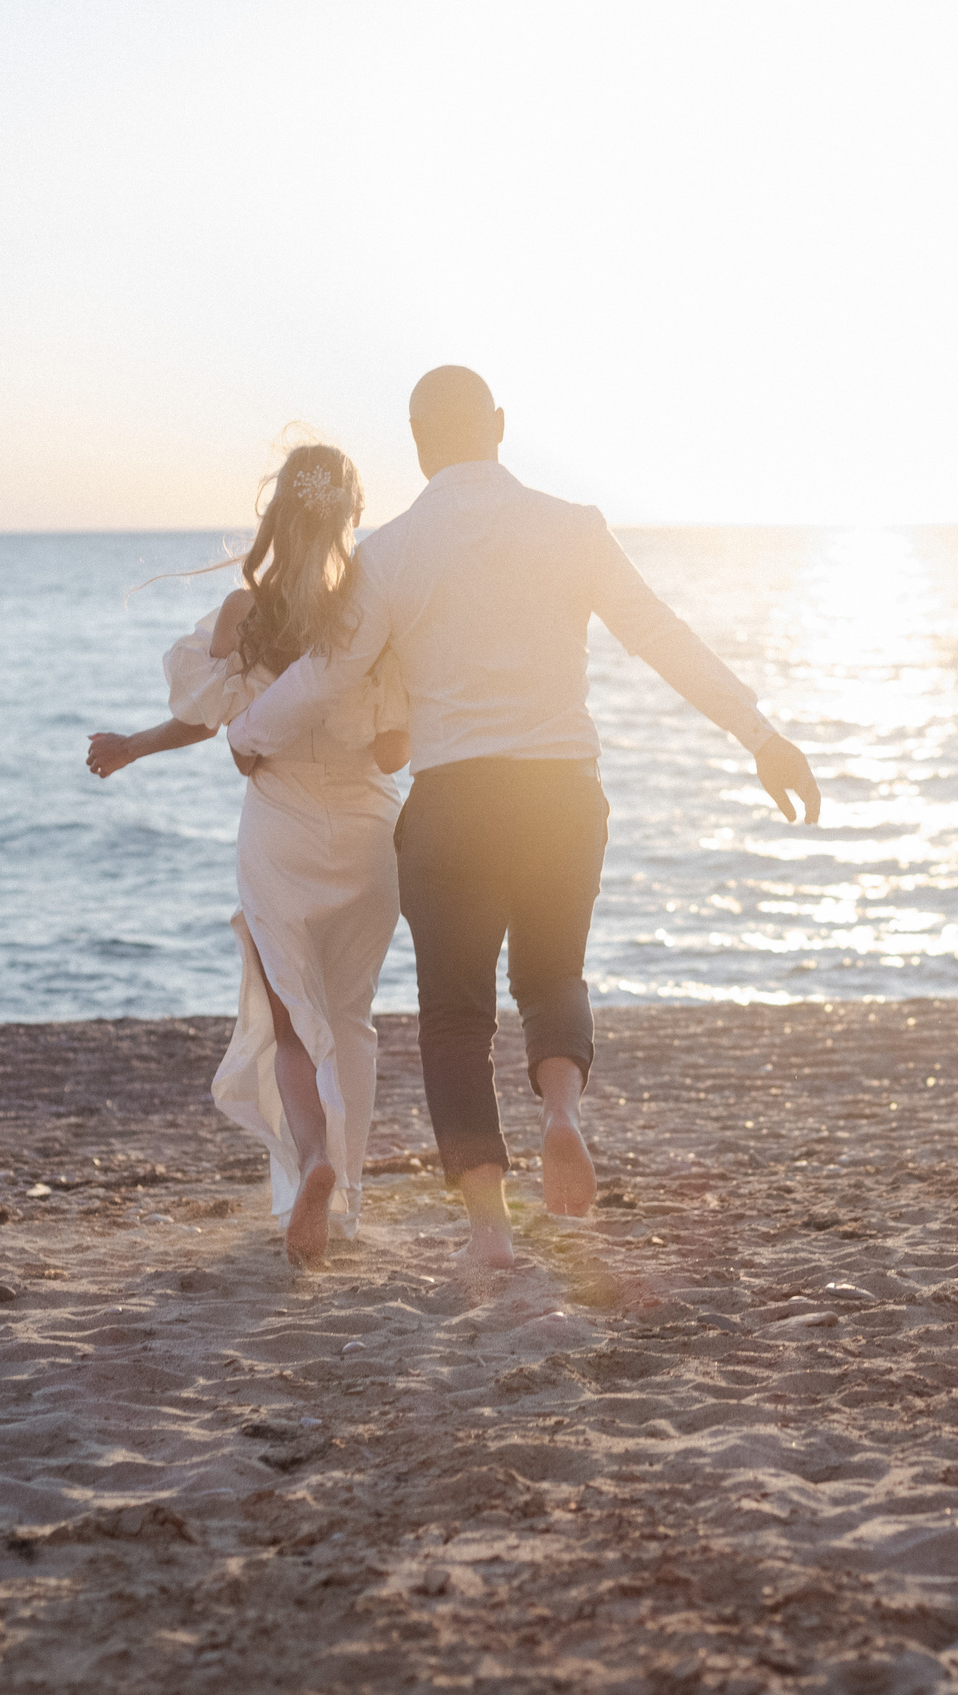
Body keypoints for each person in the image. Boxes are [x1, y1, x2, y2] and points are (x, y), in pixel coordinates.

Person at [226, 367, 822, 1268]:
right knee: (552, 978)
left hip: (454, 802)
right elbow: (661, 633)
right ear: (499, 425)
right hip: (560, 793)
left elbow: (331, 674)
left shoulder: (391, 551)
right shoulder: (573, 527)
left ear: (421, 443)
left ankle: (490, 1232)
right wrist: (760, 734)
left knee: (455, 1016)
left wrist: (250, 728)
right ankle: (560, 1113)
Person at [86, 443, 408, 1267]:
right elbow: (393, 751)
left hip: (281, 833)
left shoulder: (244, 611)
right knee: (352, 1018)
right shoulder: (374, 615)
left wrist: (132, 745)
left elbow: (214, 723)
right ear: (352, 515)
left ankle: (314, 1162)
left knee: (294, 1027)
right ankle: (348, 1195)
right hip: (372, 839)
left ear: (275, 514)